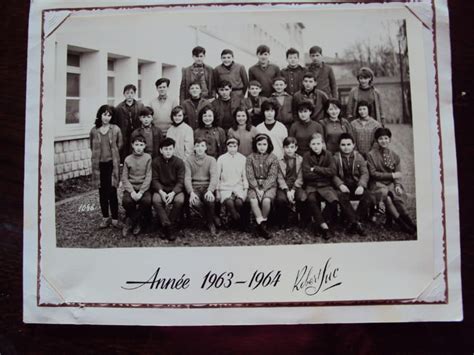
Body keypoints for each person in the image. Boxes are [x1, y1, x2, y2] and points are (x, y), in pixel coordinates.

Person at [367, 127, 416, 234]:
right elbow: (373, 174)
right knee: (387, 197)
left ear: (389, 139)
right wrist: (392, 175)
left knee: (397, 197)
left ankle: (408, 221)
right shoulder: (371, 155)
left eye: (386, 138)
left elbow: (398, 174)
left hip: (390, 183)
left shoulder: (395, 155)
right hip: (377, 184)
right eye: (380, 139)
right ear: (376, 140)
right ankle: (401, 224)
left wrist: (397, 185)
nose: (383, 141)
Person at [89, 104, 122, 229]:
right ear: (100, 115)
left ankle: (115, 219)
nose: (106, 118)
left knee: (112, 191)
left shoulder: (115, 129)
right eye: (104, 114)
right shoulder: (94, 130)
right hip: (99, 166)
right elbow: (91, 146)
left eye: (109, 115)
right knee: (102, 191)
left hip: (111, 165)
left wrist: (114, 156)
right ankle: (105, 218)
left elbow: (120, 144)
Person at [302, 133, 338, 239]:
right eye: (313, 144)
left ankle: (319, 223)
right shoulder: (307, 156)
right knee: (312, 200)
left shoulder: (328, 154)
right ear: (310, 145)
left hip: (325, 185)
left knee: (333, 202)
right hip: (312, 186)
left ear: (322, 144)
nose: (316, 146)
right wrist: (323, 174)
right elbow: (306, 174)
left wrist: (316, 169)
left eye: (318, 143)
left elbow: (332, 171)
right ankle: (324, 227)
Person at [333, 133, 370, 234]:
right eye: (343, 145)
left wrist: (361, 185)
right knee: (340, 195)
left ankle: (354, 221)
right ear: (339, 146)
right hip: (343, 185)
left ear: (353, 145)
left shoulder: (359, 157)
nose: (346, 147)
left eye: (349, 144)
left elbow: (364, 173)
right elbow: (333, 174)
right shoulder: (336, 158)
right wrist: (340, 184)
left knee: (367, 196)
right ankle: (356, 223)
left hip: (356, 184)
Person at [151, 138, 186, 241]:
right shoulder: (155, 162)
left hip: (175, 189)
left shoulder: (179, 162)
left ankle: (166, 225)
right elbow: (154, 179)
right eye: (165, 149)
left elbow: (181, 181)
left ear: (174, 150)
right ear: (161, 150)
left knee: (179, 200)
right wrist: (161, 192)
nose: (168, 151)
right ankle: (169, 226)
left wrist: (173, 193)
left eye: (170, 149)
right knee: (156, 200)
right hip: (161, 188)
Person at [246, 133, 279, 239]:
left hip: (269, 185)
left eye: (264, 144)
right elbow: (250, 175)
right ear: (255, 145)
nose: (262, 147)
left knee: (266, 200)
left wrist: (263, 189)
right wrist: (256, 188)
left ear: (268, 145)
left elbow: (272, 176)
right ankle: (262, 226)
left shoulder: (273, 158)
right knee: (253, 200)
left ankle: (262, 222)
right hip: (254, 185)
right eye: (259, 144)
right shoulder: (250, 158)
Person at [184, 138, 219, 236]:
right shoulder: (189, 160)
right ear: (194, 147)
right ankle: (210, 218)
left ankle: (211, 223)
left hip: (207, 187)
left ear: (206, 148)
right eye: (197, 146)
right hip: (195, 188)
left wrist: (210, 190)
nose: (200, 148)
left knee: (210, 200)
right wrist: (191, 192)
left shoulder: (211, 160)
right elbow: (187, 178)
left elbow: (214, 176)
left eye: (202, 146)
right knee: (195, 202)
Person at [121, 135, 152, 237]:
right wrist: (132, 192)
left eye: (141, 145)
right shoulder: (128, 159)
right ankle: (135, 221)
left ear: (145, 146)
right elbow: (125, 178)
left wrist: (141, 192)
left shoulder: (148, 158)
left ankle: (132, 221)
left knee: (146, 201)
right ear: (132, 145)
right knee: (126, 201)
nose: (139, 147)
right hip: (132, 187)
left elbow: (148, 176)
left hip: (144, 187)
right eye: (136, 144)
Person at [216, 137, 248, 230]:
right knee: (229, 202)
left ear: (238, 146)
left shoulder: (242, 158)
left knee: (239, 203)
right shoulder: (221, 159)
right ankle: (238, 219)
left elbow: (245, 176)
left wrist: (245, 190)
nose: (233, 149)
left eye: (235, 146)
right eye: (230, 146)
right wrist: (217, 191)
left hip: (238, 187)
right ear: (226, 147)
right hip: (225, 187)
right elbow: (217, 177)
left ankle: (235, 222)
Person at [275, 137, 307, 228]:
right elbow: (279, 177)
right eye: (287, 147)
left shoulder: (300, 159)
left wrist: (293, 190)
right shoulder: (279, 160)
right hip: (284, 186)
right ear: (283, 148)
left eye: (292, 147)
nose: (289, 150)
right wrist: (286, 190)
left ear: (296, 148)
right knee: (281, 200)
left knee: (302, 197)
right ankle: (283, 220)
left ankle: (300, 218)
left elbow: (300, 177)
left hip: (296, 185)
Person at [114, 84, 144, 162]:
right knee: (125, 154)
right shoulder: (119, 108)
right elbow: (116, 122)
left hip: (137, 133)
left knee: (137, 152)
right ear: (124, 94)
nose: (129, 95)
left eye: (131, 93)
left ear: (134, 93)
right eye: (127, 93)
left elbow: (143, 119)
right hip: (124, 135)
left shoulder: (140, 106)